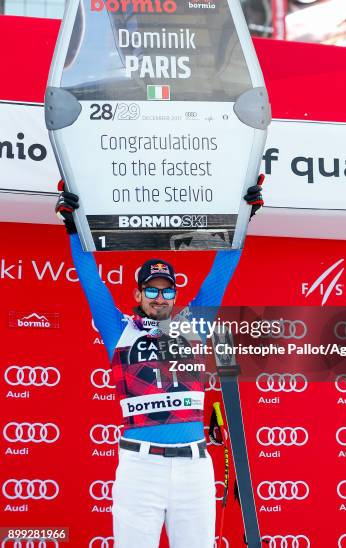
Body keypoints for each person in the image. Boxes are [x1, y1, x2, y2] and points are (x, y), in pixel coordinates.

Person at [55, 177, 264, 548]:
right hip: (141, 469)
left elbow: (222, 270)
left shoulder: (192, 324)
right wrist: (74, 226)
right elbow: (90, 278)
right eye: (151, 289)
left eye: (167, 289)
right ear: (138, 293)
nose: (160, 295)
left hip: (193, 469)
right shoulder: (117, 328)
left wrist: (245, 215)